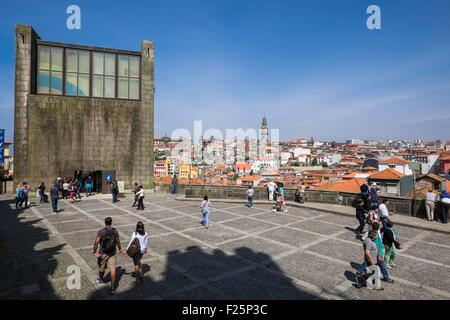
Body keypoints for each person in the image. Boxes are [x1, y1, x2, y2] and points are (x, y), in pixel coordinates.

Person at [93, 217, 125, 295]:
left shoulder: (101, 231)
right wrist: (120, 249)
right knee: (113, 270)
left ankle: (100, 280)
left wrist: (95, 251)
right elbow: (118, 241)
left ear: (105, 222)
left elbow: (96, 242)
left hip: (103, 253)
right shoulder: (115, 230)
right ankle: (112, 288)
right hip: (112, 253)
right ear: (111, 222)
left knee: (101, 268)